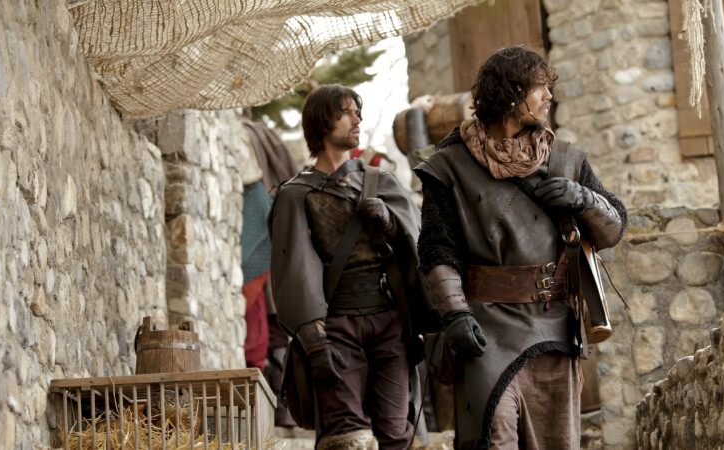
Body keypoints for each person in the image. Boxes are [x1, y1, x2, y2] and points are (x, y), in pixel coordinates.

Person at [415, 46, 627, 449]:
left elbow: (614, 229)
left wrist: (583, 199)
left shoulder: (565, 160)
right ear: (511, 94)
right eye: (539, 87)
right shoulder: (449, 166)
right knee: (493, 437)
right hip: (487, 329)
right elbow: (437, 249)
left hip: (555, 326)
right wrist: (455, 313)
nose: (549, 96)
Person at [268, 84, 430, 449]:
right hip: (337, 326)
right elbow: (293, 269)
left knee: (395, 433)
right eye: (346, 113)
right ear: (323, 122)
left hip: (390, 322)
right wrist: (313, 341)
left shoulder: (381, 182)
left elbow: (421, 244)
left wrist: (390, 223)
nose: (357, 120)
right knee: (347, 436)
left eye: (358, 113)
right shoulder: (296, 194)